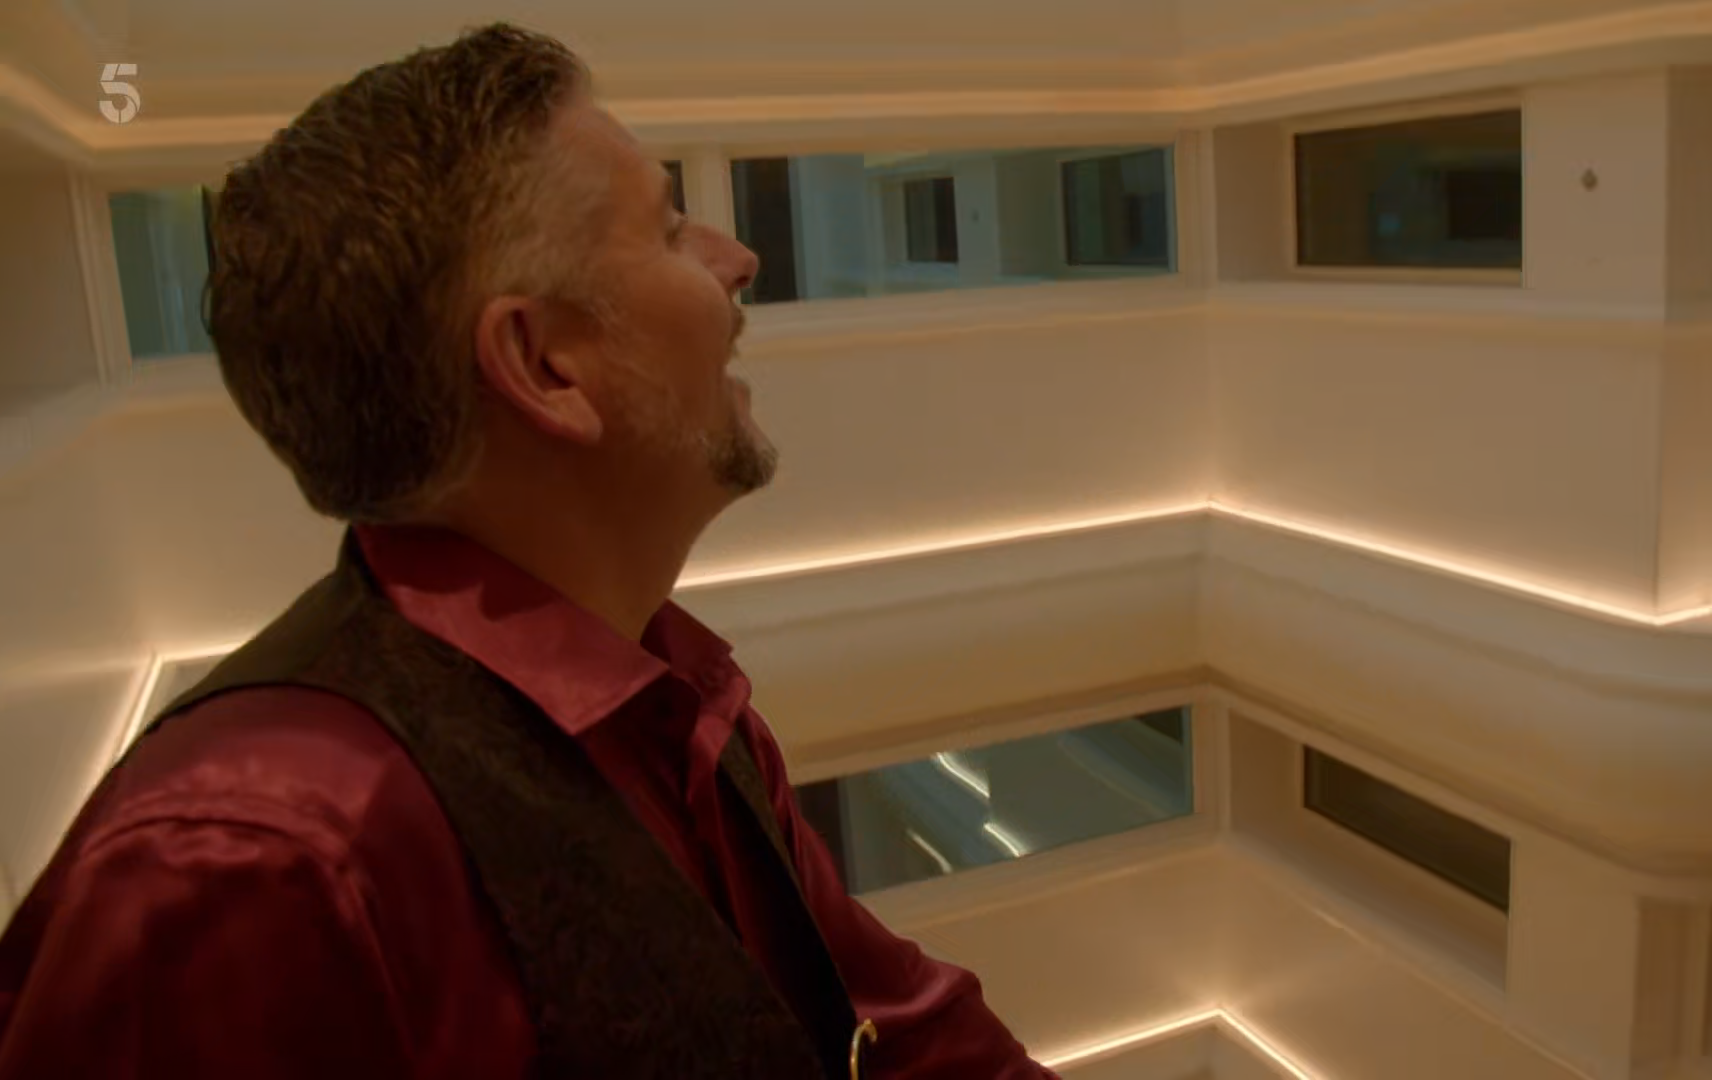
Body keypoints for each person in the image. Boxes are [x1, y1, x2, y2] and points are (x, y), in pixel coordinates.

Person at [0, 24, 1056, 1080]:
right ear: (543, 364)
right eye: (670, 228)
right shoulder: (255, 855)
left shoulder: (684, 705)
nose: (738, 261)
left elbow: (905, 1034)